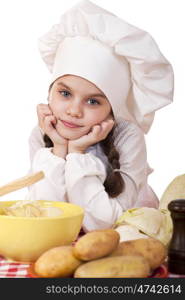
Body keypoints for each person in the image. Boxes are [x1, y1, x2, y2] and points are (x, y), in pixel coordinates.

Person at [26, 0, 174, 232]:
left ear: (111, 110)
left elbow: (103, 225)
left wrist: (77, 153)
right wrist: (57, 149)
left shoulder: (128, 137)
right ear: (50, 91)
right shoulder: (44, 131)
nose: (74, 110)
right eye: (65, 93)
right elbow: (44, 216)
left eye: (93, 101)